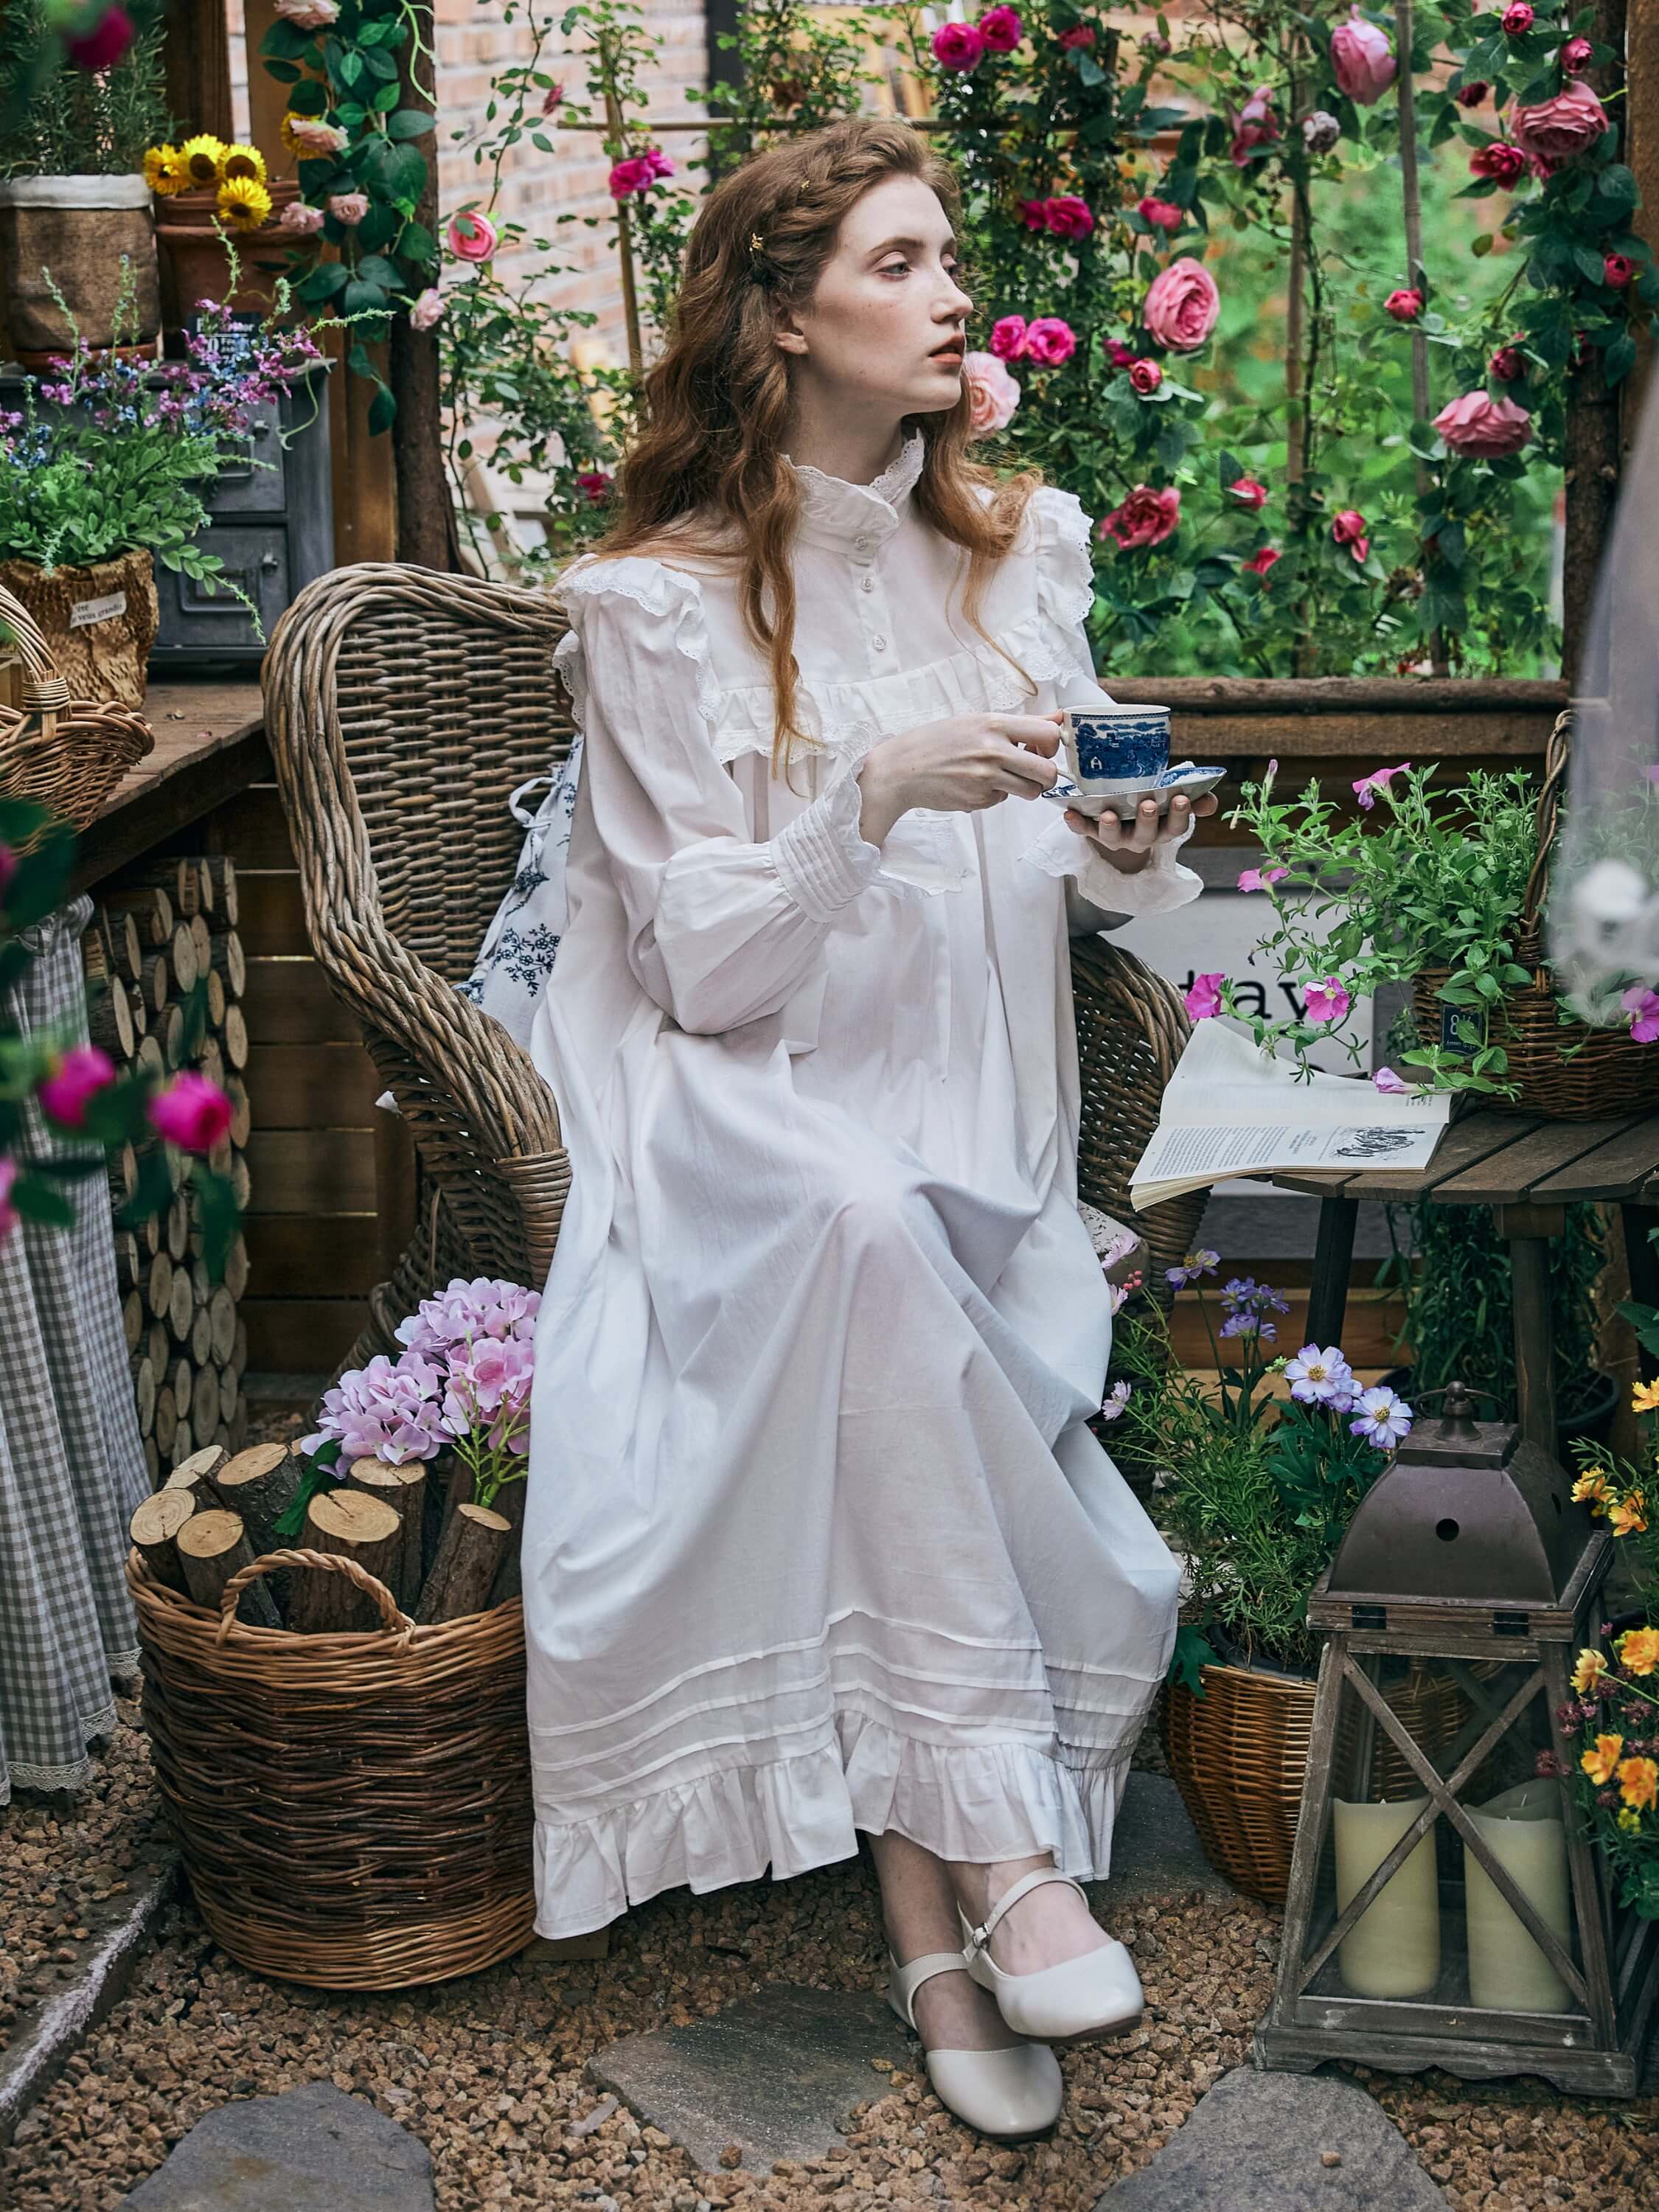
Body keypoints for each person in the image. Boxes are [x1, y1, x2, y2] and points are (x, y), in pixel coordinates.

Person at [495, 116, 1211, 2140]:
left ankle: (925, 1911)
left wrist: (1122, 849)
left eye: (946, 258)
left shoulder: (1019, 551)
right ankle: (1005, 1859)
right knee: (861, 1226)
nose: (950, 291)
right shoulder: (648, 607)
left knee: (901, 1226)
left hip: (971, 1089)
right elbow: (704, 976)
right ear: (781, 316)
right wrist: (871, 788)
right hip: (740, 1092)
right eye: (896, 261)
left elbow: (1077, 883)